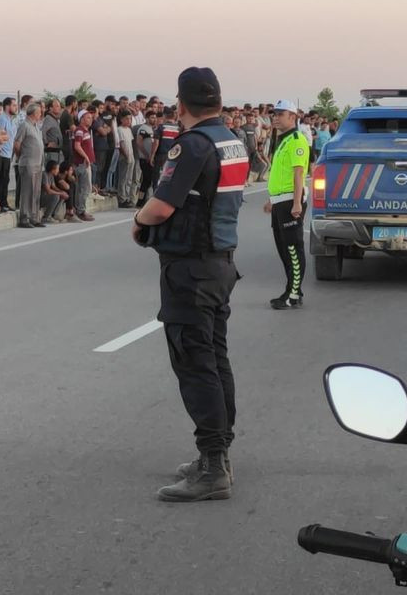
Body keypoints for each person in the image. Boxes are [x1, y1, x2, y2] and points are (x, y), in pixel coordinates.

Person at [131, 66, 248, 502]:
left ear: (181, 104)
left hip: (191, 270)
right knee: (215, 360)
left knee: (195, 364)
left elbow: (161, 208)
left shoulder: (193, 146)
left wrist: (137, 220)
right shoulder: (231, 141)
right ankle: (218, 454)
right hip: (220, 263)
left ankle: (212, 467)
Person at [265, 101, 309, 310]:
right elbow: (279, 173)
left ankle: (294, 294)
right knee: (283, 249)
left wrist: (297, 203)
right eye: (274, 114)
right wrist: (271, 200)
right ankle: (290, 289)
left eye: (280, 114)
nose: (275, 118)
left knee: (293, 249)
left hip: (290, 201)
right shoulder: (282, 140)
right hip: (279, 201)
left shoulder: (296, 140)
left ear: (292, 117)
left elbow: (299, 173)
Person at [12, 102, 45, 228]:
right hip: (28, 163)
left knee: (36, 191)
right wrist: (22, 156)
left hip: (38, 164)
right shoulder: (24, 125)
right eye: (39, 112)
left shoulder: (36, 126)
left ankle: (34, 217)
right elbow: (17, 144)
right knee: (27, 191)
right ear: (33, 113)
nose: (41, 114)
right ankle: (24, 218)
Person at [0, 96, 18, 209]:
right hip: (0, 154)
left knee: (5, 180)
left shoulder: (11, 121)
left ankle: (4, 202)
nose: (16, 107)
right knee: (0, 180)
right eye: (13, 105)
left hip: (8, 154)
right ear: (7, 107)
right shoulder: (2, 119)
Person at [71, 111, 95, 221]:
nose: (90, 119)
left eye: (91, 117)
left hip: (85, 163)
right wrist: (85, 157)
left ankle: (80, 209)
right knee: (84, 188)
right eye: (88, 118)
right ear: (81, 119)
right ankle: (81, 210)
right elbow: (77, 145)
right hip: (82, 163)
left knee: (84, 187)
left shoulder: (85, 131)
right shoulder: (80, 130)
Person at [116, 110, 140, 207]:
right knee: (123, 177)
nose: (129, 120)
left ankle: (128, 197)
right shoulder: (119, 129)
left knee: (129, 178)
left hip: (131, 156)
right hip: (124, 157)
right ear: (121, 119)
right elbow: (121, 144)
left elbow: (131, 143)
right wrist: (126, 156)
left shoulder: (129, 130)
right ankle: (122, 198)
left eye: (130, 119)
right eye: (127, 119)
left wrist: (131, 156)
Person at [42, 98, 64, 165]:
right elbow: (42, 132)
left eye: (59, 106)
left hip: (57, 152)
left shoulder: (55, 119)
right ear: (51, 108)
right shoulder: (48, 119)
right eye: (57, 106)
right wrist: (46, 143)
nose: (59, 108)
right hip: (51, 153)